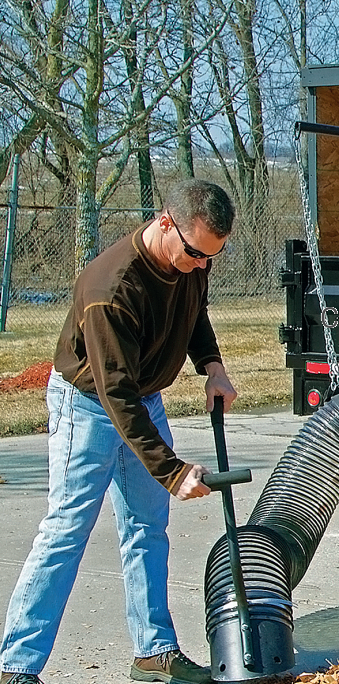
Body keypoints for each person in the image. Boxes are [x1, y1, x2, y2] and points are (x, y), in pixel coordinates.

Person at [0, 180, 238, 684]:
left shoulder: (192, 260)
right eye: (195, 253)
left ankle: (153, 652)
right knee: (66, 532)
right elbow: (116, 396)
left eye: (210, 257)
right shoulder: (110, 287)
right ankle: (16, 665)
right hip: (90, 406)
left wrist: (212, 365)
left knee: (147, 530)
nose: (201, 265)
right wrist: (171, 471)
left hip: (142, 398)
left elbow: (194, 312)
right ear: (165, 221)